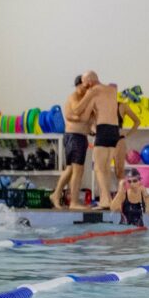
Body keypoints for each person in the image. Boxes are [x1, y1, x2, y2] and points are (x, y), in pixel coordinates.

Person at [73, 71, 123, 210]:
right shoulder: (112, 90)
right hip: (114, 131)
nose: (84, 86)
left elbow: (78, 111)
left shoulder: (93, 91)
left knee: (98, 168)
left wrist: (81, 107)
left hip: (103, 129)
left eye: (84, 83)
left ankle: (106, 200)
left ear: (89, 81)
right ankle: (106, 199)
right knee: (106, 167)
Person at [51, 75, 93, 210]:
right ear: (78, 85)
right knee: (78, 170)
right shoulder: (74, 97)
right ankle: (73, 202)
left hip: (79, 137)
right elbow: (75, 112)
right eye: (85, 86)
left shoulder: (84, 99)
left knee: (70, 169)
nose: (87, 89)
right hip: (74, 137)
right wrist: (85, 116)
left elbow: (86, 119)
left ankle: (56, 194)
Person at [112, 94, 142, 184]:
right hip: (104, 140)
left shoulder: (122, 106)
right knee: (102, 170)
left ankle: (121, 191)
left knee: (119, 170)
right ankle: (105, 192)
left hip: (118, 140)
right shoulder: (101, 105)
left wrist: (127, 134)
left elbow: (137, 121)